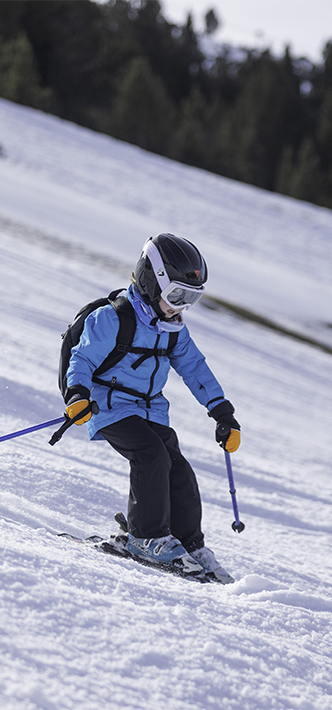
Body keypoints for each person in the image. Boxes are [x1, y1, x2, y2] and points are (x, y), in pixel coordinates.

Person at [63, 233, 240, 583]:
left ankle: (189, 543)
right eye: (176, 295)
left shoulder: (173, 330)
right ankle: (147, 537)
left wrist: (222, 412)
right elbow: (81, 358)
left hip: (149, 410)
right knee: (149, 455)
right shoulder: (111, 319)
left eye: (191, 299)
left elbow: (195, 368)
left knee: (177, 467)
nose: (180, 307)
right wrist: (77, 394)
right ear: (150, 282)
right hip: (108, 406)